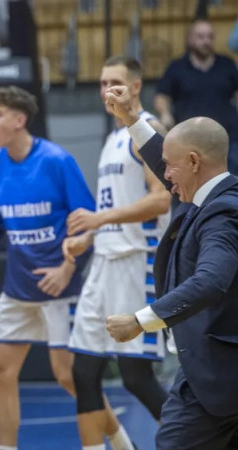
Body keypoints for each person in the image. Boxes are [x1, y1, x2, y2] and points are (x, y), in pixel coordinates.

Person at [0, 85, 129, 450]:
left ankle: (120, 443)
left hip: (61, 286)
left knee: (69, 377)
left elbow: (87, 224)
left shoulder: (57, 161)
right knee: (0, 372)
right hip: (18, 288)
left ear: (19, 120)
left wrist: (67, 269)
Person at [105, 84, 238, 450]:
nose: (164, 174)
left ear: (194, 162)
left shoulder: (223, 215)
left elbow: (211, 281)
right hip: (205, 370)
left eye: (170, 164)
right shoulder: (199, 195)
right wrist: (132, 119)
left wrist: (140, 320)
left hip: (218, 379)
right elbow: (163, 162)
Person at [62, 56, 170, 450]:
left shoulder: (148, 131)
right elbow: (115, 205)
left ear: (136, 87)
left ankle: (204, 440)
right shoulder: (111, 139)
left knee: (136, 377)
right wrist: (88, 237)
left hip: (135, 261)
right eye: (103, 81)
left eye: (116, 82)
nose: (108, 89)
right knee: (83, 371)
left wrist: (98, 219)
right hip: (104, 262)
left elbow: (160, 201)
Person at [154, 19, 238, 173]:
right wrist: (165, 114)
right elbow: (162, 96)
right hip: (189, 143)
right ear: (190, 39)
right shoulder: (177, 67)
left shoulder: (227, 64)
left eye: (210, 36)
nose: (206, 41)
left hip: (227, 142)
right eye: (201, 36)